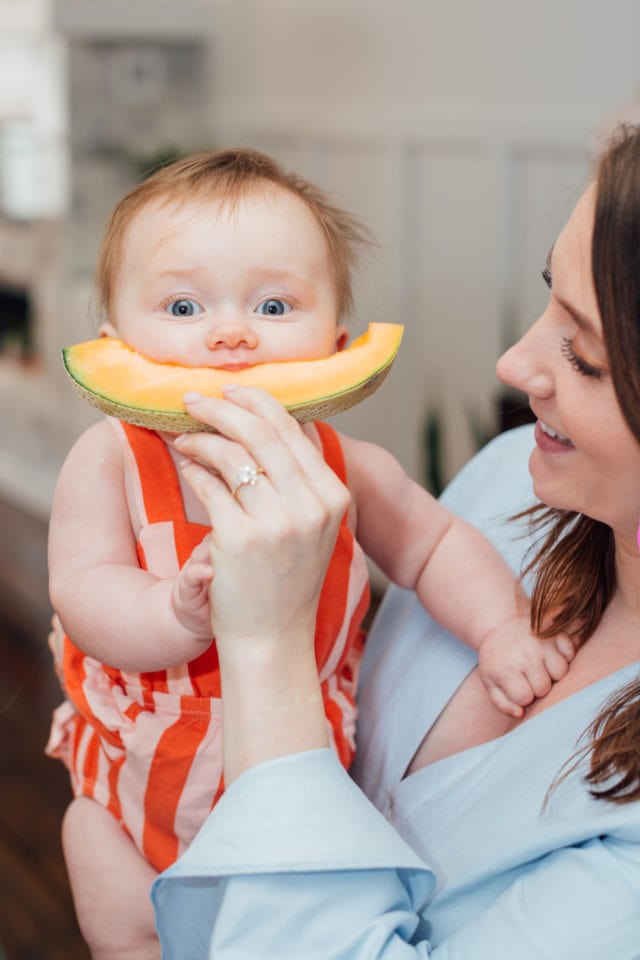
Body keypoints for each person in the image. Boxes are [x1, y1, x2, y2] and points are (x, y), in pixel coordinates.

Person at [47, 147, 571, 959]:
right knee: (101, 871)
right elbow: (81, 593)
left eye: (273, 304)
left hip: (307, 775)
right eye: (183, 307)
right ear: (116, 344)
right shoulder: (112, 458)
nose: (229, 334)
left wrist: (501, 628)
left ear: (333, 341)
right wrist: (171, 611)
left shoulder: (348, 467)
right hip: (135, 793)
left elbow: (433, 547)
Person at [149, 123, 640, 959]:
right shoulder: (506, 479)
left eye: (587, 356)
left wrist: (266, 642)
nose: (515, 364)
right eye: (548, 292)